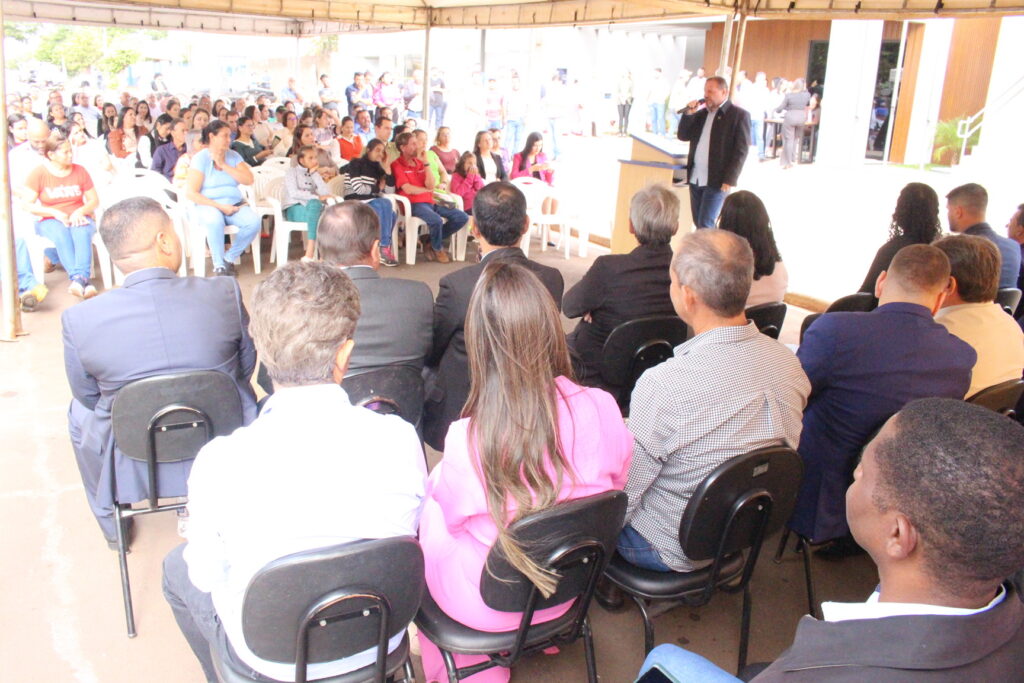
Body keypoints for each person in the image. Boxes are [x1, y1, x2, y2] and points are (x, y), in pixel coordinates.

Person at [162, 260, 426, 683]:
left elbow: (205, 575)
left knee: (177, 569)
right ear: (345, 353)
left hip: (272, 659)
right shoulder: (398, 438)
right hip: (381, 638)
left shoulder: (220, 462)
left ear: (260, 350)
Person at [636, 398, 1024, 681]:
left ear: (897, 534)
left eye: (861, 472)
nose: (853, 474)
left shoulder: (821, 672)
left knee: (665, 658)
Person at [417, 260, 632, 682]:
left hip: (488, 603)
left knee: (426, 508)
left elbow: (455, 521)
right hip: (569, 587)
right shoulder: (605, 408)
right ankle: (545, 637)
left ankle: (471, 671)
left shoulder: (469, 438)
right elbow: (614, 492)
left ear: (481, 345)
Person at [63, 197, 258, 547]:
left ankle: (114, 526)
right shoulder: (222, 293)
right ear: (164, 241)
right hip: (223, 438)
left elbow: (88, 395)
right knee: (236, 386)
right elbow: (245, 366)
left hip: (137, 456)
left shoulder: (80, 319)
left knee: (79, 413)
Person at [618, 230, 810, 572]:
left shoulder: (664, 384)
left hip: (665, 546)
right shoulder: (790, 366)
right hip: (745, 530)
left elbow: (625, 493)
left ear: (688, 296)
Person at [790, 245, 976, 551]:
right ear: (941, 297)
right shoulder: (960, 357)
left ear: (881, 281)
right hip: (900, 499)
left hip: (819, 495)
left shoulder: (835, 330)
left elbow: (793, 395)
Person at [424, 182, 564, 451]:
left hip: (466, 409)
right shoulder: (551, 279)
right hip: (529, 402)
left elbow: (433, 346)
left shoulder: (457, 284)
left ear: (474, 228)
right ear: (525, 225)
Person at [564, 185, 679, 387]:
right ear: (676, 227)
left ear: (631, 226)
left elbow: (569, 307)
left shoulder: (609, 269)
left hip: (595, 373)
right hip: (658, 373)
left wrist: (592, 305)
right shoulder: (687, 272)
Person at [318, 202, 433, 374]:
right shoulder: (418, 294)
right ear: (375, 250)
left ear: (321, 254)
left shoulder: (299, 303)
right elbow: (431, 356)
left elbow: (270, 379)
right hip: (405, 397)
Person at [933, 235, 1024, 398]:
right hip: (990, 420)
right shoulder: (1012, 327)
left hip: (938, 420)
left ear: (948, 285)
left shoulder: (936, 334)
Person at [24, 133, 100, 299]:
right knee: (61, 234)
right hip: (50, 219)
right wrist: (54, 212)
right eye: (65, 152)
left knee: (81, 231)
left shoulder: (80, 171)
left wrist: (80, 211)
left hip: (78, 215)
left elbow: (94, 200)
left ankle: (78, 279)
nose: (70, 155)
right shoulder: (39, 173)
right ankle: (82, 280)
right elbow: (27, 204)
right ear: (51, 155)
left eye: (70, 151)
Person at [185, 120, 260, 277]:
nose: (229, 140)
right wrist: (220, 207)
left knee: (253, 222)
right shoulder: (200, 158)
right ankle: (219, 266)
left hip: (233, 205)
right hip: (208, 205)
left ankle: (228, 258)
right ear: (212, 137)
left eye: (229, 136)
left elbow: (249, 179)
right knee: (214, 220)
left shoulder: (233, 156)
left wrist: (224, 165)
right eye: (225, 136)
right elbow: (191, 193)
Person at [678, 76, 751, 229]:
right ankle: (703, 252)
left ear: (724, 92)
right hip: (695, 177)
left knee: (706, 223)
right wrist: (689, 115)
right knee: (698, 222)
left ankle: (709, 253)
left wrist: (730, 178)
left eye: (711, 91)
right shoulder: (702, 114)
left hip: (717, 180)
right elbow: (683, 135)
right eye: (705, 91)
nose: (706, 95)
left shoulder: (738, 116)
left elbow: (741, 150)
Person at [391, 131, 468, 263]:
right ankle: (437, 248)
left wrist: (426, 164)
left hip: (430, 201)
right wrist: (426, 190)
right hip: (413, 204)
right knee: (436, 220)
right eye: (413, 144)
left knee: (462, 217)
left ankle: (429, 239)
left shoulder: (420, 163)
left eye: (417, 143)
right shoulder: (397, 165)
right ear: (403, 147)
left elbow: (431, 185)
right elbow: (408, 189)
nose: (417, 146)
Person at [859, 182, 943, 293]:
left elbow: (866, 295)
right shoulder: (943, 250)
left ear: (900, 212)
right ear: (935, 212)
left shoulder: (891, 251)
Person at [717, 190, 788, 307]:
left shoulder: (725, 271)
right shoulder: (779, 268)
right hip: (767, 324)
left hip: (727, 323)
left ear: (726, 224)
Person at [946, 183, 1021, 289]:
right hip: (1004, 306)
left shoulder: (958, 249)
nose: (948, 215)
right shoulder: (1013, 247)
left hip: (969, 305)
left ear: (958, 212)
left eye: (948, 210)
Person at [343, 139, 398, 267]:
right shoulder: (356, 163)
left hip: (371, 201)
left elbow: (389, 191)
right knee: (382, 204)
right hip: (354, 201)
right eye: (377, 150)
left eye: (383, 151)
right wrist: (377, 189)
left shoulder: (378, 168)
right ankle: (383, 247)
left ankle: (378, 247)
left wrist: (387, 170)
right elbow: (358, 188)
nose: (380, 154)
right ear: (368, 150)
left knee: (391, 213)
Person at [283, 145, 332, 262]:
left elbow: (325, 192)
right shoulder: (292, 172)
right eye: (310, 158)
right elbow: (294, 193)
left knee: (328, 211)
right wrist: (317, 197)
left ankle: (322, 256)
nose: (314, 160)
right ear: (301, 160)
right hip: (294, 208)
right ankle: (311, 251)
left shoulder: (314, 174)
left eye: (315, 157)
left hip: (312, 209)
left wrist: (314, 174)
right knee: (316, 204)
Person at [774, 78, 811, 170]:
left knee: (789, 139)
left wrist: (776, 110)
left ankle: (788, 162)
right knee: (795, 138)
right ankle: (794, 158)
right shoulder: (807, 95)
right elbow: (807, 102)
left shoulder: (789, 95)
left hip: (790, 117)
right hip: (801, 117)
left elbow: (781, 108)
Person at [151, 117, 188, 181]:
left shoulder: (190, 150)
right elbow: (155, 172)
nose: (186, 133)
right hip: (167, 185)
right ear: (173, 133)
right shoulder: (162, 151)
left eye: (187, 130)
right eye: (183, 131)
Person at [646, 68, 669, 136]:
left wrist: (663, 98)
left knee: (660, 118)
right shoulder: (652, 81)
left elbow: (667, 91)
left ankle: (662, 133)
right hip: (652, 101)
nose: (655, 74)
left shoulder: (664, 81)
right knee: (653, 118)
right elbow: (649, 91)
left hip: (660, 102)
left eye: (656, 73)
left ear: (660, 73)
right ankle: (654, 132)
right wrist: (647, 100)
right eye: (654, 73)